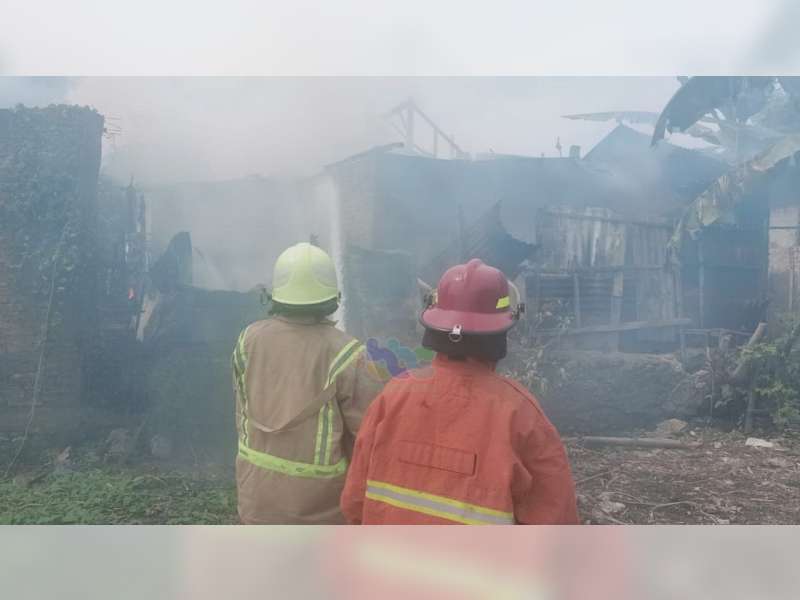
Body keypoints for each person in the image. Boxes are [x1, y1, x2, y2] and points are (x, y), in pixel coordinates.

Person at [341, 258, 578, 525]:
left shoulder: (393, 396)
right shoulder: (520, 415)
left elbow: (354, 502)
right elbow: (556, 524)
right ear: (500, 333)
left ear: (435, 326)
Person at [233, 242, 383, 524]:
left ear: (275, 295)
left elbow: (241, 413)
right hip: (320, 510)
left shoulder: (248, 339)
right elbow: (367, 439)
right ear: (333, 298)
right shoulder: (349, 353)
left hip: (255, 498)